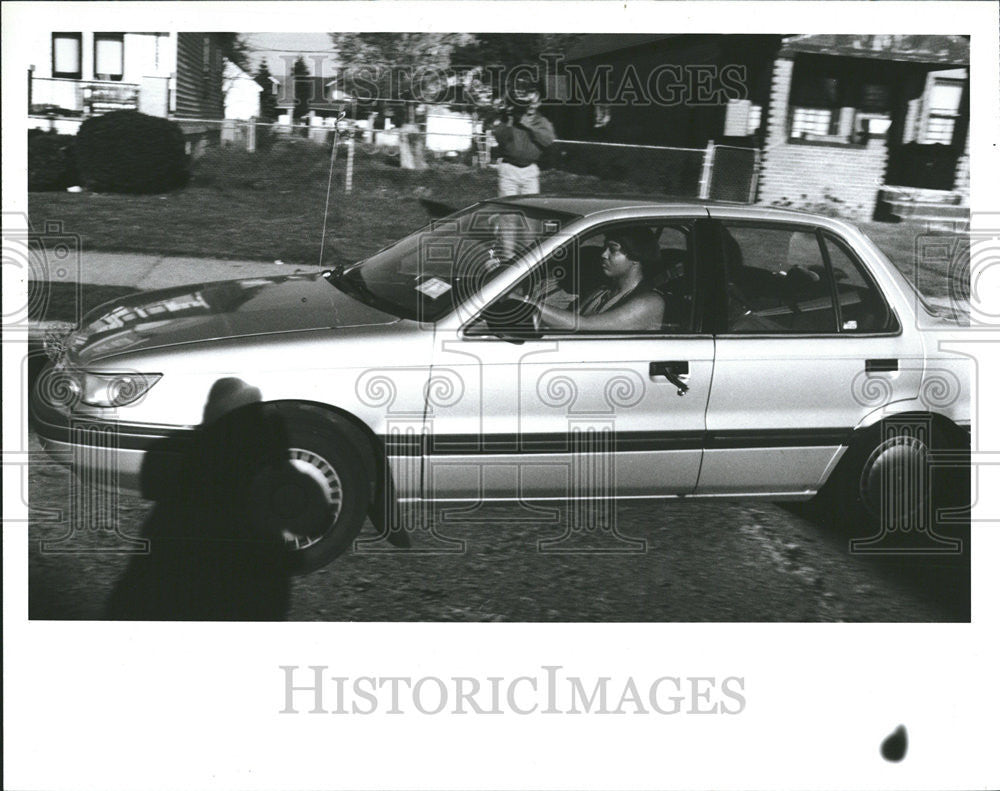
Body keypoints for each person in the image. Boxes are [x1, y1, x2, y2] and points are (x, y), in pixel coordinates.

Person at [516, 227, 665, 332]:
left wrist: (523, 302)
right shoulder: (602, 292)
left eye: (613, 250)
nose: (603, 254)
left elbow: (583, 325)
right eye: (605, 248)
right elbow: (568, 320)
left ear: (636, 257)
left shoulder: (650, 303)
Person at [492, 89, 556, 196]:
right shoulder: (509, 118)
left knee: (530, 206)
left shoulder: (541, 121)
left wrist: (528, 125)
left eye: (534, 102)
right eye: (527, 102)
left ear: (539, 103)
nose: (530, 106)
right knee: (509, 208)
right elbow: (500, 139)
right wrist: (510, 118)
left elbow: (548, 140)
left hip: (530, 171)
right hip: (509, 169)